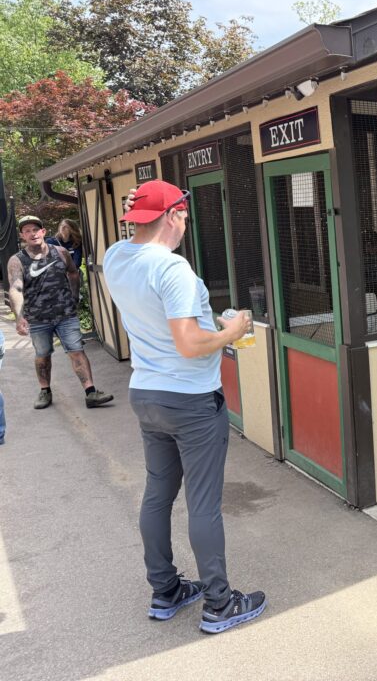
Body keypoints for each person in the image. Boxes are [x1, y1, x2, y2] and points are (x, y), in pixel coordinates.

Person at [104, 181, 265, 634]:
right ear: (173, 216)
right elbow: (190, 344)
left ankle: (166, 590)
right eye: (185, 216)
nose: (186, 225)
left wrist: (209, 324)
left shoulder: (116, 257)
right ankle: (219, 604)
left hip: (147, 394)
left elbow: (165, 321)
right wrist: (232, 331)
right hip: (191, 401)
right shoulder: (172, 268)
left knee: (158, 494)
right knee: (203, 504)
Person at [7, 215, 113, 410]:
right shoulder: (17, 260)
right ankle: (45, 391)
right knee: (42, 355)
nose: (32, 234)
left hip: (66, 315)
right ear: (22, 235)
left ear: (43, 232)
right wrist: (19, 317)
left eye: (35, 229)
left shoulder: (61, 252)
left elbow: (73, 272)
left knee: (76, 351)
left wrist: (74, 296)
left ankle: (91, 393)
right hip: (38, 318)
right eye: (27, 231)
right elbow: (16, 288)